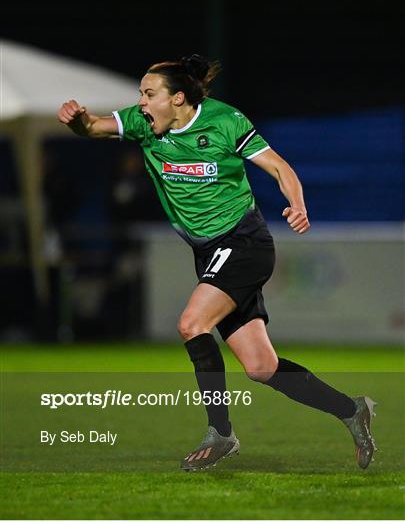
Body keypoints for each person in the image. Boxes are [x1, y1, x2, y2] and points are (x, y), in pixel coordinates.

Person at [57, 54, 376, 472]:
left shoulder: (224, 121)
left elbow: (278, 166)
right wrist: (77, 119)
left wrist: (296, 204)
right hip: (210, 252)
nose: (140, 102)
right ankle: (351, 410)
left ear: (178, 99)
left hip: (243, 242)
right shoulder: (144, 123)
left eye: (149, 94)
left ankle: (221, 432)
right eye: (140, 94)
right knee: (262, 368)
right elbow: (94, 127)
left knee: (192, 324)